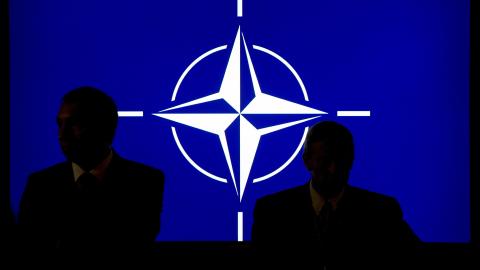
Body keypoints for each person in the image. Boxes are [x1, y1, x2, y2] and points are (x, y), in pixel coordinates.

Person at [18, 86, 164, 253]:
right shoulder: (40, 185)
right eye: (60, 123)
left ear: (104, 127)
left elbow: (136, 242)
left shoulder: (145, 182)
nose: (62, 134)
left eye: (73, 123)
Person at [251, 121, 420, 265]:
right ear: (307, 161)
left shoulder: (382, 212)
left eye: (340, 161)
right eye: (325, 161)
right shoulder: (271, 212)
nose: (333, 169)